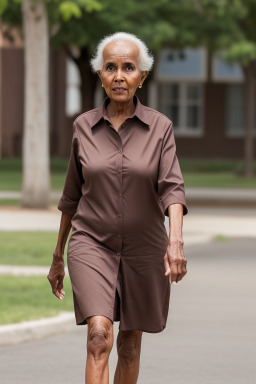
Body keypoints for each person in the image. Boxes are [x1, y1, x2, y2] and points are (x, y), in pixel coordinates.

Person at [47, 31, 188, 384]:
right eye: (111, 67)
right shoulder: (83, 127)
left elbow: (172, 187)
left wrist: (175, 242)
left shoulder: (160, 128)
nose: (119, 76)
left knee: (128, 346)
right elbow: (70, 196)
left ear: (142, 77)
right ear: (100, 76)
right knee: (98, 336)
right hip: (92, 244)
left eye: (129, 68)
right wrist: (57, 255)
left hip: (144, 248)